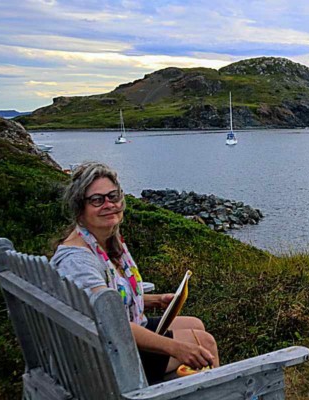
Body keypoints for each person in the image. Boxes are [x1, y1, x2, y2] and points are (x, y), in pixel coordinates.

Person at [50, 162, 220, 384]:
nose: (109, 205)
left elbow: (106, 301)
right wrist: (175, 348)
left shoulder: (105, 240)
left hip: (109, 340)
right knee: (204, 343)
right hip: (106, 361)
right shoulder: (78, 262)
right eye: (97, 200)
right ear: (79, 208)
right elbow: (111, 323)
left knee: (195, 324)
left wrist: (153, 300)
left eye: (113, 196)